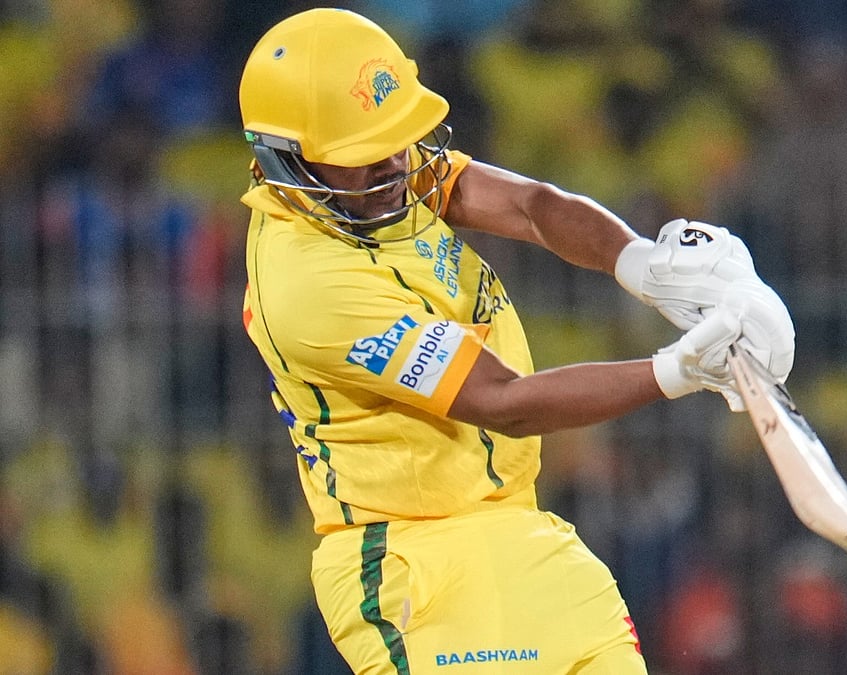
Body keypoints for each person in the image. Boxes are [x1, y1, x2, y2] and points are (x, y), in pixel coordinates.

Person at [236, 8, 794, 674]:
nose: (393, 166)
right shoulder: (308, 284)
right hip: (415, 568)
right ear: (286, 162)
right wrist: (678, 370)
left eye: (395, 140)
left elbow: (527, 205)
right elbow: (503, 400)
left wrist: (642, 265)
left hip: (522, 529)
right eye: (363, 158)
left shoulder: (368, 173)